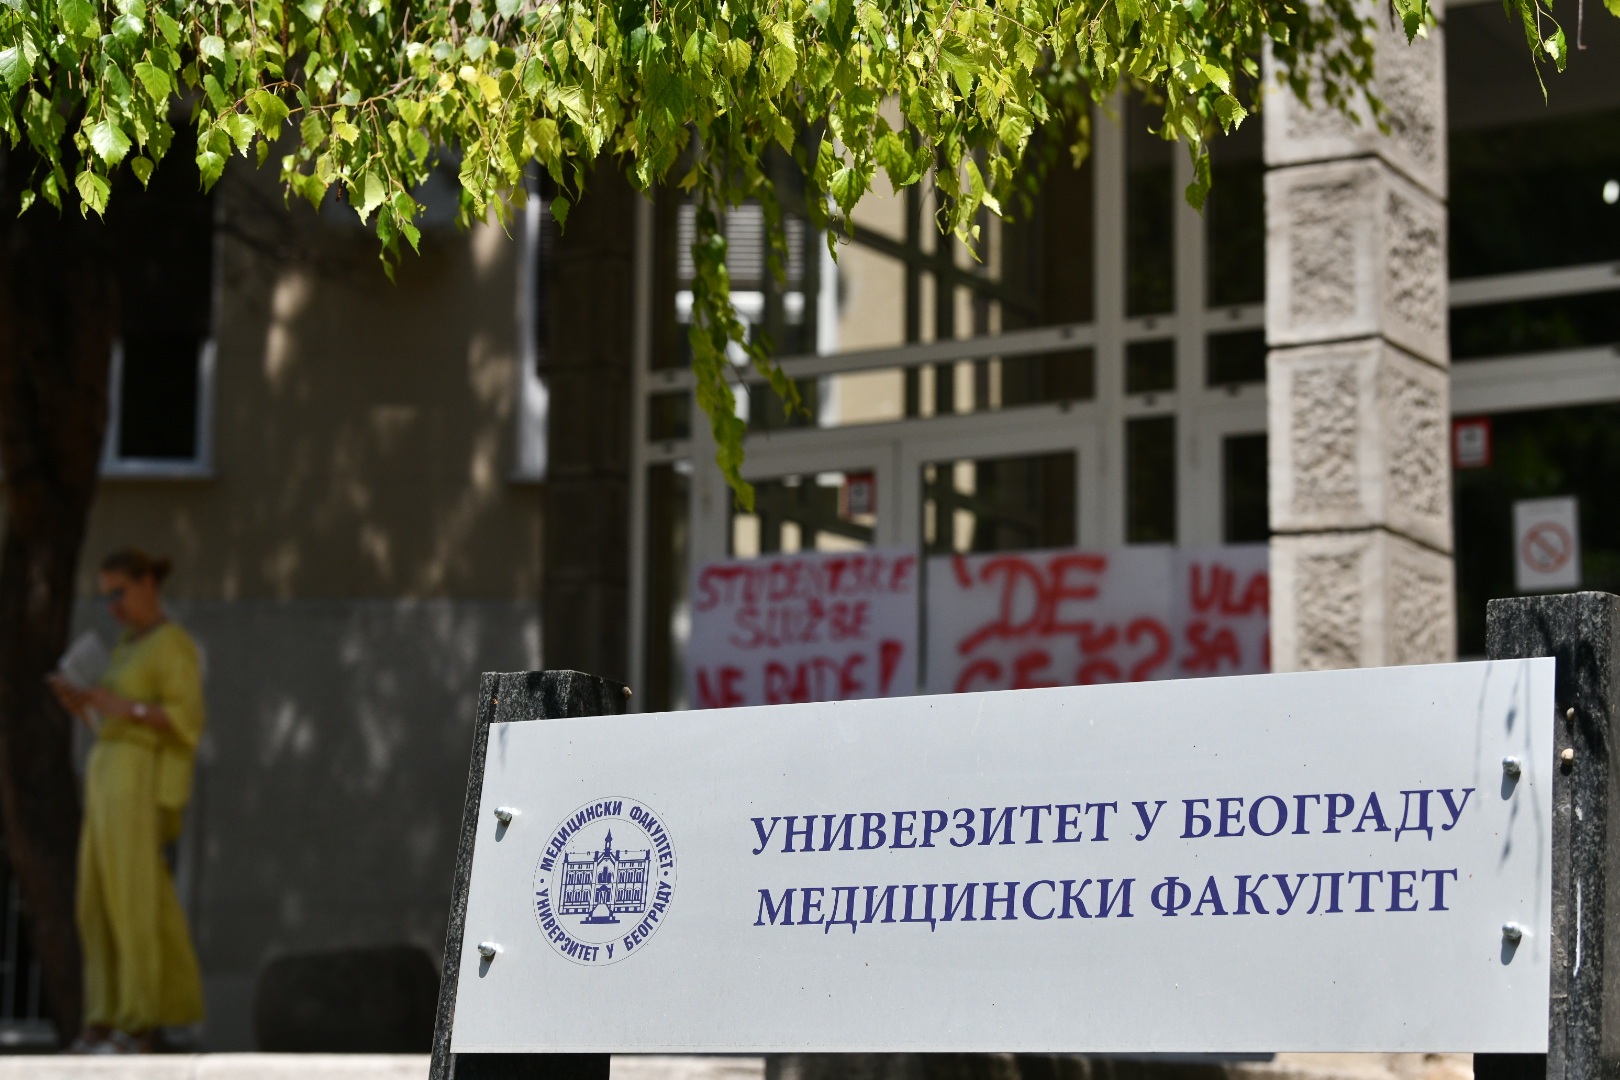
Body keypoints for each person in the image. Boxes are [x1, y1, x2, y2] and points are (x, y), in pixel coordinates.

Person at [48, 549, 206, 1054]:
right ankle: (102, 1014)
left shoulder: (171, 644)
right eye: (106, 596)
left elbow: (185, 719)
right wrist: (84, 706)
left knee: (134, 896)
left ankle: (139, 1019)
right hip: (106, 769)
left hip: (140, 776)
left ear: (146, 585)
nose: (113, 606)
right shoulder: (123, 647)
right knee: (96, 899)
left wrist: (126, 706)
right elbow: (109, 721)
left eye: (119, 592)